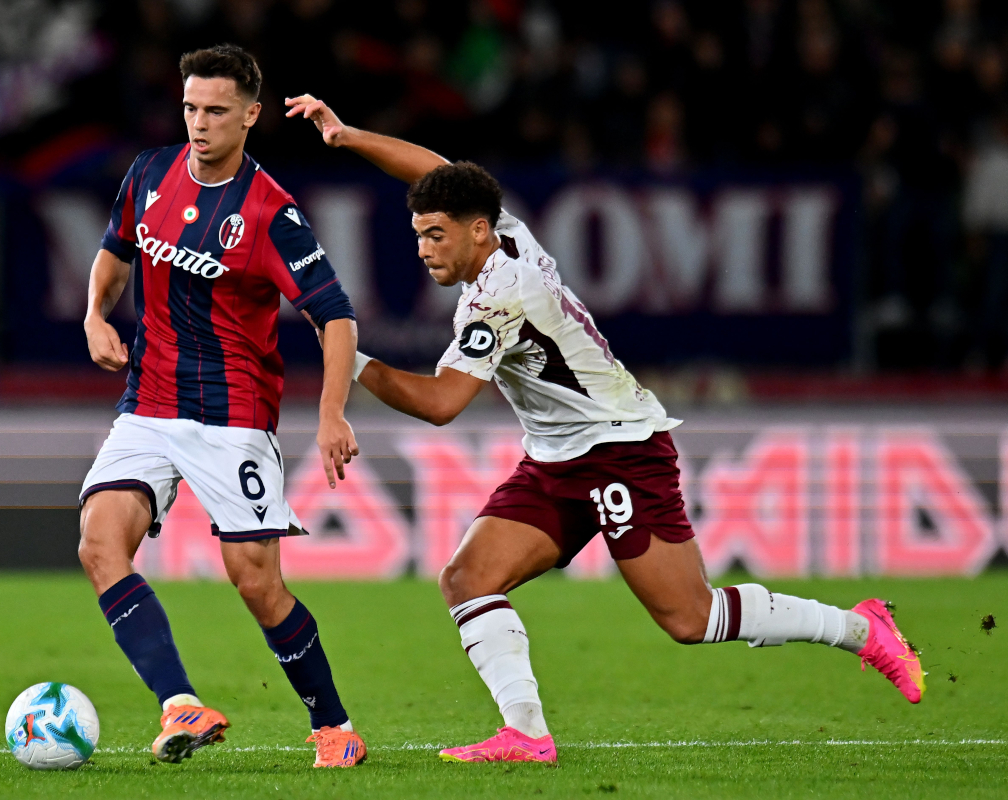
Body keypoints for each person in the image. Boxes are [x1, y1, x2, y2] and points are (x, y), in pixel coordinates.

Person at [286, 93, 926, 765]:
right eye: (418, 233)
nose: (422, 249)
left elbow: (444, 403)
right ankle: (527, 734)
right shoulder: (506, 232)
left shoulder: (497, 298)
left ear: (476, 231)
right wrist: (349, 135)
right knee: (468, 577)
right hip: (559, 458)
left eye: (435, 234)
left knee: (690, 618)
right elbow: (438, 170)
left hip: (621, 449)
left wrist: (347, 355)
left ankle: (861, 629)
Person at [78, 46, 366, 769]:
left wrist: (333, 414)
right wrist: (94, 315)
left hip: (232, 416)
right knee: (98, 542)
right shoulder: (148, 174)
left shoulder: (273, 215)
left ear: (249, 116)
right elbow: (114, 254)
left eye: (214, 111)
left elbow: (336, 318)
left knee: (256, 583)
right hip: (146, 405)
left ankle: (334, 727)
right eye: (189, 108)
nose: (198, 124)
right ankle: (181, 704)